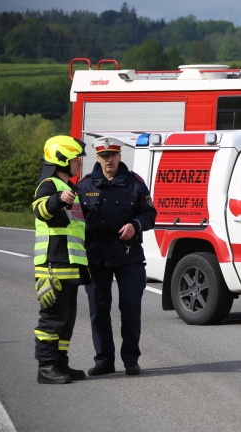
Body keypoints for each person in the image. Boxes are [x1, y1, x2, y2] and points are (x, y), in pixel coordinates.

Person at [78, 136, 157, 376]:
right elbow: (73, 219)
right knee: (99, 309)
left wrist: (135, 224)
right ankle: (104, 361)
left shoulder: (134, 183)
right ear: (97, 158)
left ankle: (131, 359)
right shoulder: (85, 185)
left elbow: (150, 214)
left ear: (120, 156)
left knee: (130, 307)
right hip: (96, 256)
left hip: (128, 255)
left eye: (112, 155)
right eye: (103, 156)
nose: (108, 159)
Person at [33, 135, 90, 384]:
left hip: (70, 267)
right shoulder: (49, 185)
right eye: (76, 158)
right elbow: (40, 209)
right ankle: (46, 368)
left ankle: (60, 364)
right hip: (52, 267)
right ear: (63, 159)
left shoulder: (70, 188)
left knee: (66, 320)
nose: (79, 163)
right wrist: (57, 200)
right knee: (52, 319)